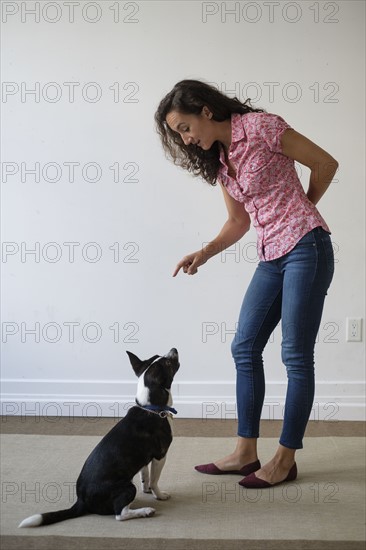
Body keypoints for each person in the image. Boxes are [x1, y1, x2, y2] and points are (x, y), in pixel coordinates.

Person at [154, 79, 337, 488]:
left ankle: (286, 458)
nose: (185, 138)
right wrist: (203, 252)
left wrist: (303, 209)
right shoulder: (220, 160)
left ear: (204, 109)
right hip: (272, 256)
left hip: (306, 247)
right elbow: (238, 222)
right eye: (177, 134)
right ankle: (245, 452)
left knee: (295, 355)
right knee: (245, 347)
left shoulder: (262, 127)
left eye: (184, 127)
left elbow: (326, 163)